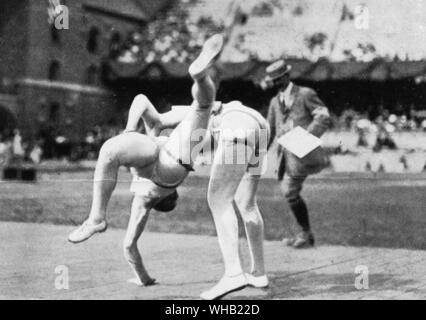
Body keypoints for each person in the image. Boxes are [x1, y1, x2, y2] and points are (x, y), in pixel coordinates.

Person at [264, 59, 331, 249]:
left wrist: (306, 138)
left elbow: (323, 116)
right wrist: (259, 152)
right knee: (290, 193)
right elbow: (269, 129)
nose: (276, 83)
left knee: (290, 191)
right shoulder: (274, 102)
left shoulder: (305, 94)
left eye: (278, 79)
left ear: (287, 75)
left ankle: (305, 233)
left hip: (304, 153)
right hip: (285, 157)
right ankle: (304, 234)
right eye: (273, 80)